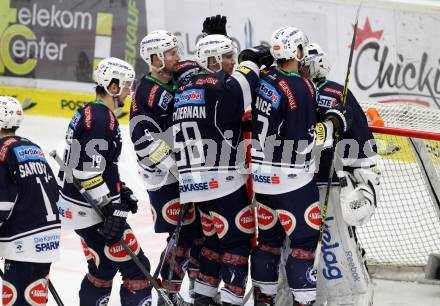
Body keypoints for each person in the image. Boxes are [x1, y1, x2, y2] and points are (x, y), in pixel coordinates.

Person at [249, 27, 350, 306]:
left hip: (261, 177)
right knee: (304, 244)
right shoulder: (300, 86)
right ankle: (303, 302)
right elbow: (305, 140)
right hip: (291, 180)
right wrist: (332, 124)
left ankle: (263, 299)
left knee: (268, 242)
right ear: (296, 52)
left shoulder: (264, 76)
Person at [171, 32, 272, 306]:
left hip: (193, 183)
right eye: (227, 56)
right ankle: (231, 301)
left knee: (214, 243)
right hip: (222, 181)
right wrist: (250, 61)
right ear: (212, 60)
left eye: (233, 56)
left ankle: (202, 299)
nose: (232, 61)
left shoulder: (184, 88)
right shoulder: (218, 84)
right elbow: (242, 85)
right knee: (237, 243)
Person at [57, 57, 152, 306]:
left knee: (104, 268)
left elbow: (97, 164)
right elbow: (88, 172)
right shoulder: (102, 120)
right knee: (138, 268)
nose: (130, 92)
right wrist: (111, 206)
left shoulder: (89, 111)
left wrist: (121, 188)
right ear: (112, 87)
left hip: (78, 205)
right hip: (91, 210)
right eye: (127, 86)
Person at [300, 43, 380, 306]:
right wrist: (365, 181)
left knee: (304, 254)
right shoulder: (337, 92)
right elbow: (364, 148)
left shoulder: (292, 89)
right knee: (339, 255)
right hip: (327, 187)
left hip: (299, 188)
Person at [131, 29, 204, 304]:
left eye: (176, 51)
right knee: (181, 235)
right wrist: (176, 168)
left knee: (196, 233)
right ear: (155, 58)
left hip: (184, 172)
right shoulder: (146, 94)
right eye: (171, 53)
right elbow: (143, 141)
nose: (177, 57)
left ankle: (198, 290)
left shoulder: (174, 78)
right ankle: (167, 294)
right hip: (163, 178)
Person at [0, 96, 61, 305]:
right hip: (47, 238)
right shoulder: (33, 147)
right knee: (32, 299)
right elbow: (55, 192)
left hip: (23, 242)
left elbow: (2, 203)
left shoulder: (2, 151)